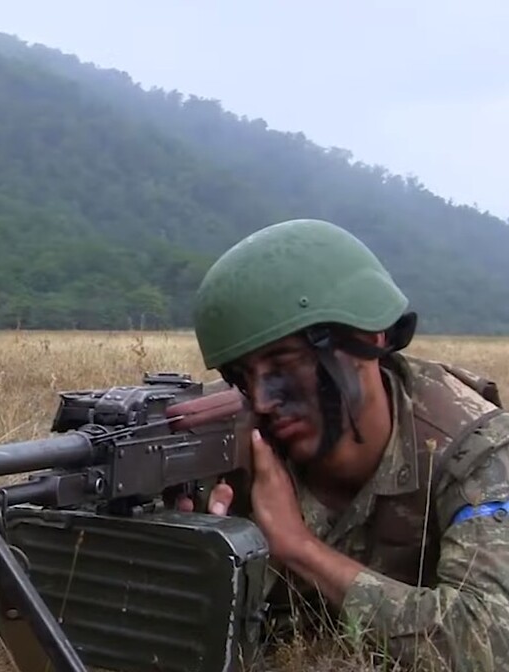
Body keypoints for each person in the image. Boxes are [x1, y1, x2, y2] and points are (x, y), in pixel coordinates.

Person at [183, 218, 509, 671]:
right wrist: (187, 548)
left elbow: (488, 640)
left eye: (284, 364)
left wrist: (297, 546)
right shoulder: (222, 440)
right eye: (243, 375)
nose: (262, 399)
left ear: (367, 339)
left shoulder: (478, 449)